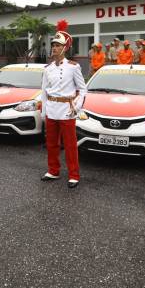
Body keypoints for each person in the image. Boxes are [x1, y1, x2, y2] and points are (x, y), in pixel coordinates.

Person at [40, 19, 86, 188]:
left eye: (58, 45)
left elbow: (83, 89)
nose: (54, 48)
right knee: (51, 143)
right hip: (52, 108)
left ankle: (74, 174)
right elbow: (43, 91)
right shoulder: (47, 68)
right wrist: (43, 111)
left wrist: (77, 107)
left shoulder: (73, 67)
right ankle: (53, 170)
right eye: (53, 45)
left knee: (70, 144)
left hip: (67, 110)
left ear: (65, 47)